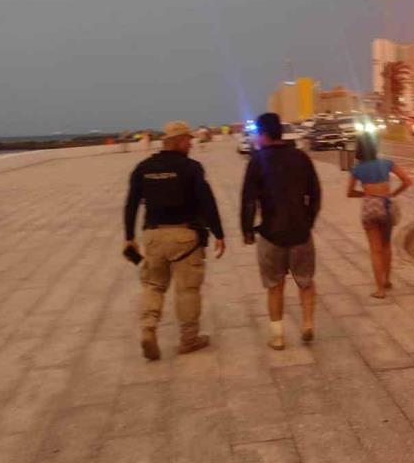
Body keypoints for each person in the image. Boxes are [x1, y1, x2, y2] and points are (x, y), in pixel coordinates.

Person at [124, 120, 226, 360]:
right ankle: (189, 339)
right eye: (188, 140)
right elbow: (206, 202)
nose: (191, 144)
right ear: (180, 141)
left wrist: (129, 237)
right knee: (187, 289)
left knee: (153, 285)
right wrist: (219, 233)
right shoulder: (191, 168)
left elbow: (130, 204)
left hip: (152, 237)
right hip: (184, 238)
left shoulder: (143, 167)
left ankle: (149, 327)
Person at [240, 112, 321, 351]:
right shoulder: (301, 157)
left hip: (270, 234)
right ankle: (307, 323)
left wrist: (247, 230)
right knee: (305, 282)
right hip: (300, 233)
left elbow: (248, 200)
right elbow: (315, 194)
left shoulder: (257, 161)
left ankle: (277, 336)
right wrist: (308, 221)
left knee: (274, 286)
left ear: (264, 134)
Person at [347, 133, 412, 299]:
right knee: (386, 246)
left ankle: (379, 290)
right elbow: (407, 180)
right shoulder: (386, 163)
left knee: (375, 250)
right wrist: (393, 193)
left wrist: (364, 194)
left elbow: (349, 192)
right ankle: (387, 281)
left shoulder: (358, 168)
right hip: (386, 205)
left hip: (370, 208)